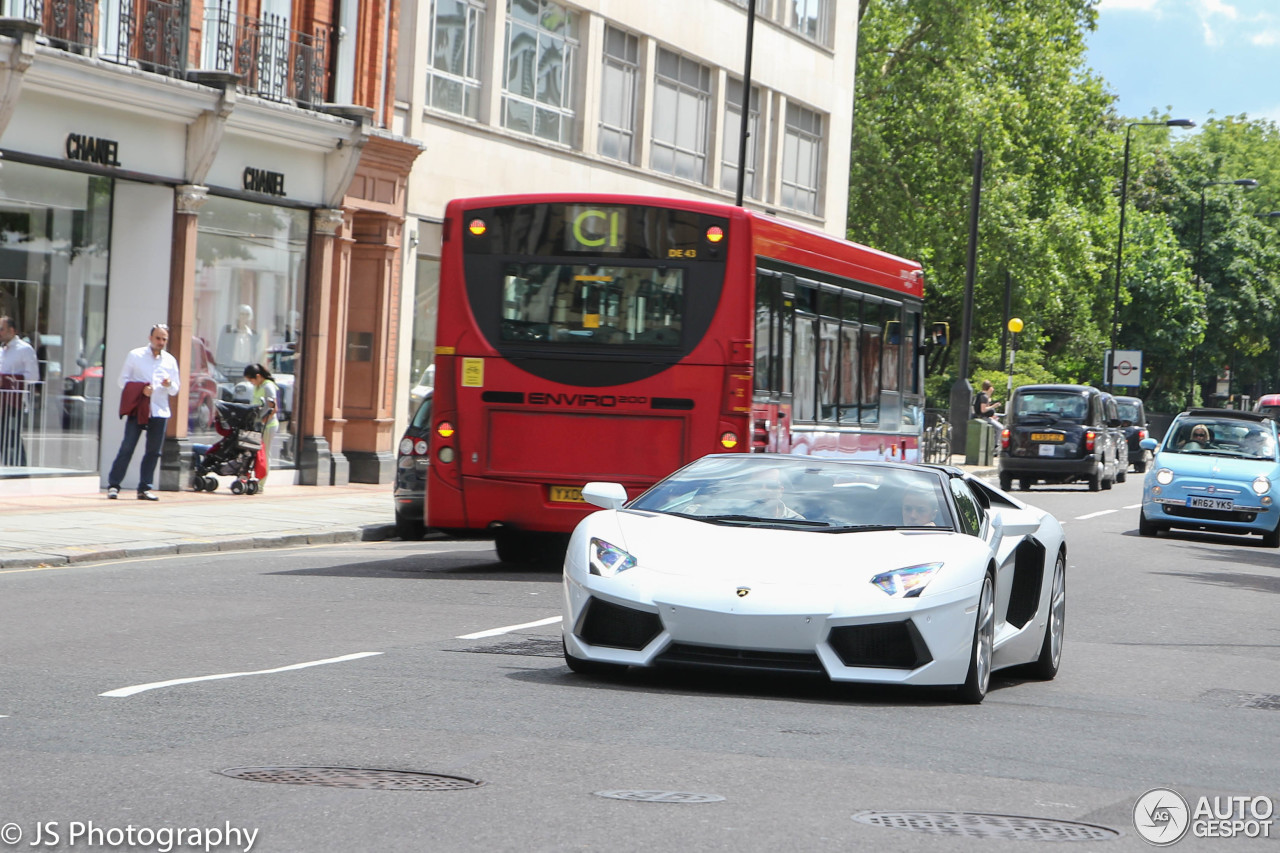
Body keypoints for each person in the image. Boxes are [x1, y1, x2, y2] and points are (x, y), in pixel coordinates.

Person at [106, 324, 180, 501]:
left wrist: (169, 384)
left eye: (164, 339)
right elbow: (122, 381)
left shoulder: (170, 361)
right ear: (150, 338)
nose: (160, 342)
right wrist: (140, 390)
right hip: (139, 408)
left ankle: (145, 488)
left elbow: (175, 390)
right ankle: (114, 485)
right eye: (158, 338)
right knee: (127, 447)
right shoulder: (136, 355)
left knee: (154, 451)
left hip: (160, 410)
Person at [0, 316, 40, 466]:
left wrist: (9, 379)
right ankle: (7, 465)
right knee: (2, 436)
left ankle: (19, 467)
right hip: (1, 400)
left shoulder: (24, 349)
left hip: (14, 401)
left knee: (12, 436)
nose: (0, 333)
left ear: (12, 330)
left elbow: (33, 376)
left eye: (2, 329)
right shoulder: (2, 351)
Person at [243, 362, 280, 492]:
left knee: (264, 454)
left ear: (258, 376)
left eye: (251, 379)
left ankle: (261, 484)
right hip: (258, 424)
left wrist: (263, 420)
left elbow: (273, 408)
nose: (251, 382)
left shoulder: (268, 386)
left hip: (268, 426)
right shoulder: (258, 387)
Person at [216, 304, 260, 377]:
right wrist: (219, 367)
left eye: (247, 315)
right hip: (230, 367)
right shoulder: (228, 330)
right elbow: (220, 350)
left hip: (246, 368)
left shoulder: (252, 334)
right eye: (242, 314)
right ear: (237, 315)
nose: (244, 317)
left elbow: (254, 353)